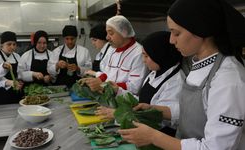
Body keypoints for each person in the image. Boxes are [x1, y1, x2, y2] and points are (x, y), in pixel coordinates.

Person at [118, 0, 245, 149]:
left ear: (200, 30)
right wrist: (158, 110)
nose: (171, 40)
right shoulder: (200, 63)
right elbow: (196, 112)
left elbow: (215, 147)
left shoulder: (228, 79)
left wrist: (153, 137)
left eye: (176, 33)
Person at [96, 31, 184, 136]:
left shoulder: (176, 82)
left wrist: (119, 115)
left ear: (160, 55)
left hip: (159, 138)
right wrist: (118, 91)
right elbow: (141, 103)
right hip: (144, 133)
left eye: (146, 56)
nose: (143, 60)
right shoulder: (154, 74)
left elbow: (158, 120)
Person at [84, 15, 148, 95]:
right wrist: (97, 80)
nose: (107, 37)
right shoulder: (111, 49)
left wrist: (103, 86)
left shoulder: (138, 53)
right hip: (108, 98)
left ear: (123, 32)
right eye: (107, 33)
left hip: (126, 103)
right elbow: (105, 73)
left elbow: (134, 88)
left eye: (111, 33)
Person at [0, 31, 24, 104]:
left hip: (15, 92)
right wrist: (8, 82)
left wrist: (19, 80)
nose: (12, 47)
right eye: (9, 44)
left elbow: (19, 72)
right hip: (1, 94)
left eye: (14, 44)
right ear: (2, 45)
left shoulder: (17, 56)